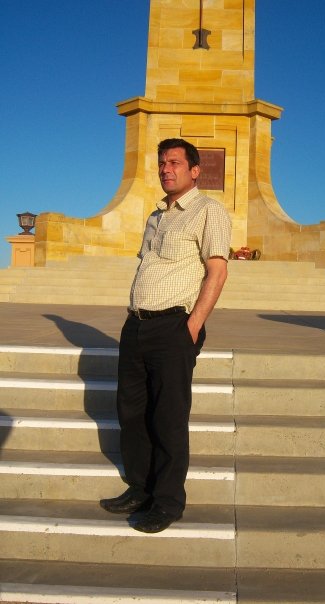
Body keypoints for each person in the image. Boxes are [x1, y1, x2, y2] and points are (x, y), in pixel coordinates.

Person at [100, 138, 232, 533]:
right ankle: (140, 488)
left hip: (173, 327)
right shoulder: (156, 216)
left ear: (195, 170)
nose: (165, 169)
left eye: (174, 162)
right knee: (132, 413)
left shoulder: (208, 211)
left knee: (168, 417)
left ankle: (168, 501)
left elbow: (218, 271)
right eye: (162, 163)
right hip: (136, 325)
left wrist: (191, 327)